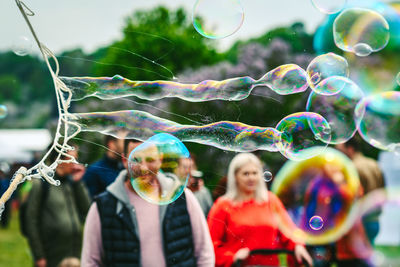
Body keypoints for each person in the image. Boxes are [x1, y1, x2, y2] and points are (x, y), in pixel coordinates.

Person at [81, 139, 215, 266]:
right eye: (136, 159)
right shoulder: (103, 206)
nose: (143, 168)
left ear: (160, 159)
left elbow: (205, 253)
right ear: (124, 160)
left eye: (150, 159)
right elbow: (90, 261)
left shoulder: (183, 197)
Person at [208, 153, 313, 267]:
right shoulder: (223, 205)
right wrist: (232, 257)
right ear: (235, 177)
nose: (251, 178)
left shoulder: (271, 200)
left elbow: (288, 231)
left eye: (255, 173)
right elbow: (210, 244)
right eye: (245, 174)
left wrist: (298, 246)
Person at [25, 145, 91, 267]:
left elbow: (87, 210)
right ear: (59, 160)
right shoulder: (41, 184)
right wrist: (39, 255)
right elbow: (30, 220)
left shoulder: (72, 184)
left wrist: (78, 183)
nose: (75, 164)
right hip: (51, 256)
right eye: (72, 159)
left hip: (73, 253)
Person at [336, 136, 385, 244]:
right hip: (375, 220)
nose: (339, 154)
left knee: (357, 258)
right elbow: (383, 189)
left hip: (360, 221)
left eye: (340, 150)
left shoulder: (351, 167)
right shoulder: (374, 163)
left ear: (350, 149)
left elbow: (350, 196)